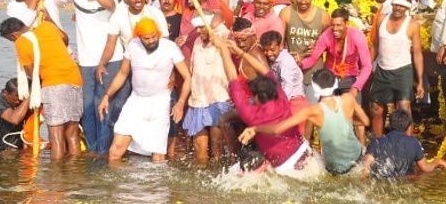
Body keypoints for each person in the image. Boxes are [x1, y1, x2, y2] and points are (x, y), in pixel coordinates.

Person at [239, 68, 369, 175]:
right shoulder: (348, 98)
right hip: (357, 157)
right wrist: (344, 121)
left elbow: (276, 129)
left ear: (315, 88)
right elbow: (366, 121)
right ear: (336, 83)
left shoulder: (312, 111)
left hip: (335, 168)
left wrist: (255, 128)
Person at [212, 34, 310, 175]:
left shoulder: (251, 115)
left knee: (237, 175)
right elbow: (264, 70)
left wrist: (223, 50)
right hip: (304, 152)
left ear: (256, 97)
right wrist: (239, 52)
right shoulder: (281, 96)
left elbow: (232, 78)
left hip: (285, 166)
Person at [98, 18, 191, 162]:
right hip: (136, 100)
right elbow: (123, 73)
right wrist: (106, 96)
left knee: (158, 154)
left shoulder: (170, 47)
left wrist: (180, 102)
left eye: (154, 36)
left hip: (160, 101)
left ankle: (155, 184)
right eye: (147, 38)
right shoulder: (133, 45)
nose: (152, 40)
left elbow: (187, 77)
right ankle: (117, 184)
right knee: (115, 151)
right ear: (139, 37)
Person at [0, 17, 82, 160]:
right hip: (75, 79)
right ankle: (74, 171)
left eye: (11, 40)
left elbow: (32, 73)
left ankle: (55, 176)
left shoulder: (21, 41)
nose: (13, 42)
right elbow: (65, 40)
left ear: (14, 35)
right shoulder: (47, 26)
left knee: (56, 136)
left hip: (53, 84)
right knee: (72, 132)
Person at [301, 7, 372, 143]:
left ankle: (362, 147)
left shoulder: (357, 36)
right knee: (319, 109)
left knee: (355, 112)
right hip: (330, 77)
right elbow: (313, 59)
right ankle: (310, 146)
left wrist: (355, 88)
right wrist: (299, 64)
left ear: (347, 23)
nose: (335, 29)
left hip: (351, 77)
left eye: (339, 25)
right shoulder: (327, 35)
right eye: (333, 25)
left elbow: (367, 66)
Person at [73, 0, 118, 154]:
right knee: (88, 106)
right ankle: (93, 149)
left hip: (109, 60)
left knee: (103, 105)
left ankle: (103, 149)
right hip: (86, 61)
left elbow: (108, 5)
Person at [370, 0, 425, 137]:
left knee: (404, 109)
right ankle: (379, 144)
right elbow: (375, 46)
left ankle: (407, 147)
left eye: (402, 6)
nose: (398, 9)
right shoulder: (381, 19)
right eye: (395, 5)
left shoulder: (412, 25)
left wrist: (420, 81)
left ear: (407, 8)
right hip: (382, 69)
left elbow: (417, 53)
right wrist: (367, 66)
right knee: (376, 108)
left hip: (403, 71)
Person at [182, 14, 233, 163]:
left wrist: (212, 25)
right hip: (198, 100)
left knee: (218, 145)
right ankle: (201, 177)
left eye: (202, 27)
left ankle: (218, 174)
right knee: (200, 148)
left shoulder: (221, 37)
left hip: (218, 98)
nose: (199, 31)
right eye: (197, 28)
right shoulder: (197, 42)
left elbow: (220, 19)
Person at [279, 0, 330, 108]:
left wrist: (318, 48)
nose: (303, 2)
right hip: (292, 71)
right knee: (294, 110)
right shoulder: (286, 13)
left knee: (312, 109)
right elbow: (279, 42)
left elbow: (329, 44)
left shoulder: (323, 17)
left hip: (315, 72)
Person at [363, 109, 446, 178]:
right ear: (408, 127)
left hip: (382, 183)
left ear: (390, 125)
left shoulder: (376, 142)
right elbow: (425, 168)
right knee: (416, 176)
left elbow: (364, 170)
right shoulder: (414, 142)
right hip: (405, 183)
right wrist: (436, 162)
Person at [260, 31, 308, 134]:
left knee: (298, 138)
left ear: (280, 46)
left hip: (295, 102)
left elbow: (288, 85)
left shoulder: (286, 61)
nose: (269, 53)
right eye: (266, 50)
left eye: (272, 50)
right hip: (286, 101)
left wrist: (279, 107)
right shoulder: (274, 60)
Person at [0, 78, 30, 151]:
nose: (18, 101)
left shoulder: (22, 102)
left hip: (15, 148)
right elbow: (14, 119)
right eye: (16, 96)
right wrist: (28, 98)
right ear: (5, 92)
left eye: (21, 97)